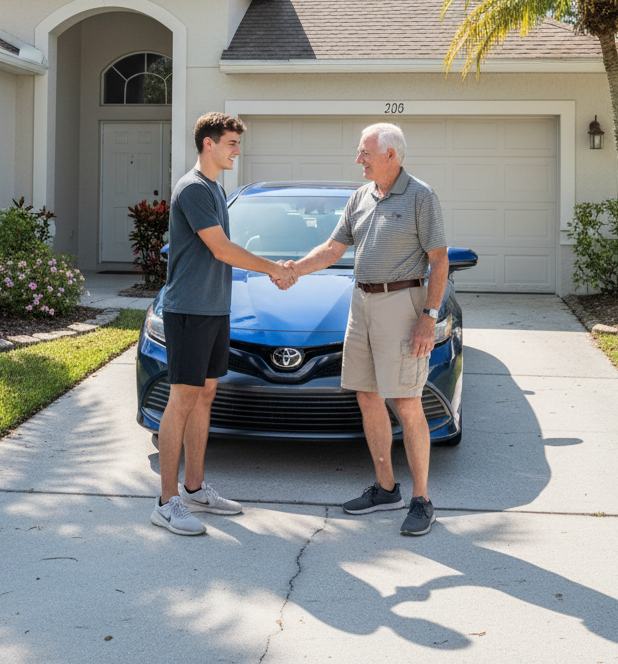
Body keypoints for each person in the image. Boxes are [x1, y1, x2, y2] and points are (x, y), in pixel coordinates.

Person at [283, 122, 448, 536]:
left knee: (407, 402)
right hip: (361, 302)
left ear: (391, 155)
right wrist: (293, 270)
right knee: (367, 395)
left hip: (403, 303)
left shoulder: (421, 196)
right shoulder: (360, 197)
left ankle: (422, 499)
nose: (358, 159)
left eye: (365, 153)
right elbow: (333, 248)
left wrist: (429, 316)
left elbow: (439, 260)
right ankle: (386, 488)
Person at [151, 112, 296, 536]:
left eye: (237, 143)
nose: (237, 151)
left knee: (206, 394)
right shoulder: (194, 188)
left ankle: (194, 489)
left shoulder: (215, 188)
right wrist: (274, 268)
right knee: (183, 398)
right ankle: (166, 501)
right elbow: (221, 249)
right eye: (231, 143)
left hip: (214, 308)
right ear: (208, 144)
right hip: (189, 310)